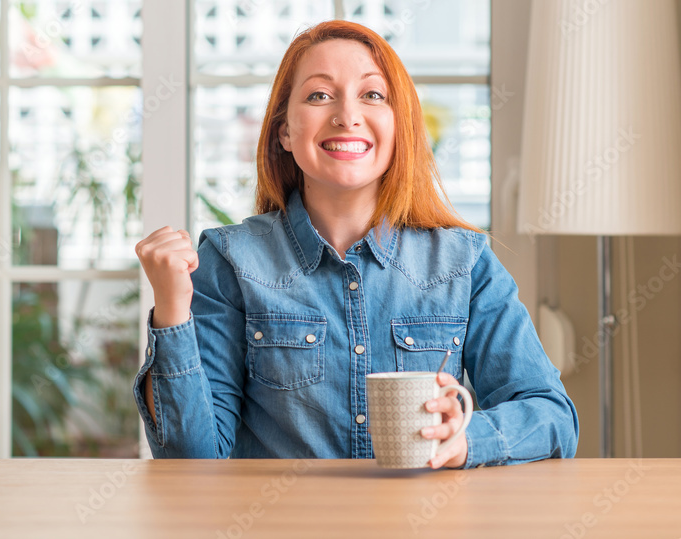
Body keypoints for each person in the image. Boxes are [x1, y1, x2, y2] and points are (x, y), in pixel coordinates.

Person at [133, 20, 578, 468]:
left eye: (372, 95)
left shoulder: (465, 263)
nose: (347, 115)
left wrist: (464, 439)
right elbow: (191, 460)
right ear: (284, 131)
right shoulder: (230, 260)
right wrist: (172, 310)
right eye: (319, 95)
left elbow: (552, 417)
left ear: (399, 126)